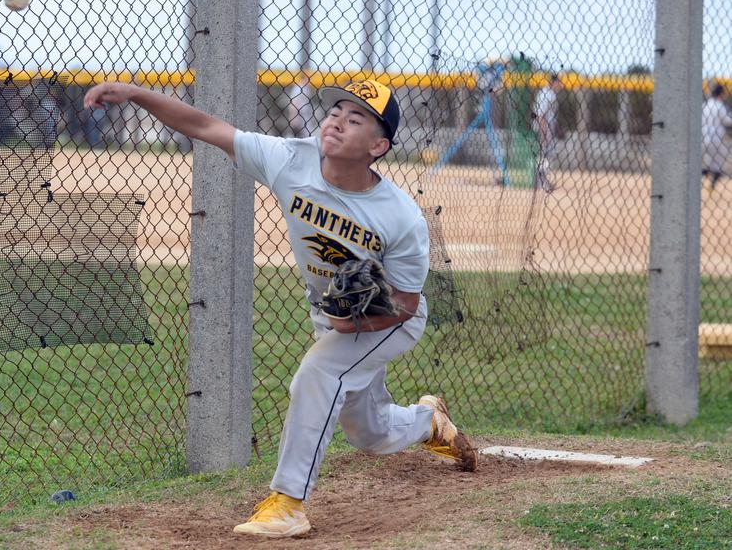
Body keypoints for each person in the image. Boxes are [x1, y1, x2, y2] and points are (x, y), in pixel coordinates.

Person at [83, 78, 478, 539]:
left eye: (356, 119)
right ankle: (428, 421)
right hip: (334, 314)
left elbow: (407, 303)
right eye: (335, 112)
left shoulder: (400, 217)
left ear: (378, 145)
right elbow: (205, 126)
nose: (337, 121)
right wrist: (136, 94)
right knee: (368, 433)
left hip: (389, 321)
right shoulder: (291, 158)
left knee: (318, 376)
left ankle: (289, 503)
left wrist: (354, 320)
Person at [532, 73, 563, 194]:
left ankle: (542, 181)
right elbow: (540, 115)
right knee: (543, 155)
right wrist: (544, 131)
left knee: (546, 155)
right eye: (558, 82)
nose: (560, 85)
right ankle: (541, 182)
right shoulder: (546, 94)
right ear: (553, 82)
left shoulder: (550, 93)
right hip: (543, 128)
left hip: (547, 128)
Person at [701, 83, 732, 193]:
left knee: (709, 162)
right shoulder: (719, 105)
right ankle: (711, 184)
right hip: (716, 139)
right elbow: (727, 121)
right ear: (720, 94)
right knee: (719, 164)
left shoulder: (706, 104)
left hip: (704, 136)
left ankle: (702, 176)